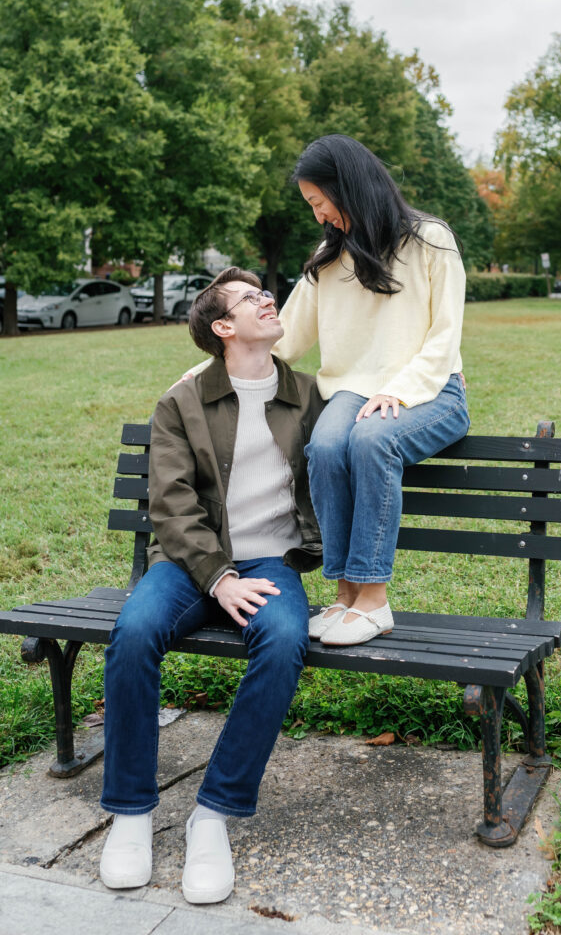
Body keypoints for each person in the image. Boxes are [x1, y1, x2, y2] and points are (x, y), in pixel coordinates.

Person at [181, 134, 470, 649]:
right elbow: (285, 335)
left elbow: (445, 337)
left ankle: (374, 600)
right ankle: (344, 595)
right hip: (356, 393)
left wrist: (400, 392)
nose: (318, 216)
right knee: (328, 444)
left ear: (347, 187)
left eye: (319, 202)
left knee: (372, 441)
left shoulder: (430, 239)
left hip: (432, 391)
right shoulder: (328, 258)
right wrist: (210, 369)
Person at [99, 267, 323, 905]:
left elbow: (363, 423)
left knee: (283, 644)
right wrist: (217, 576)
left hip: (271, 565)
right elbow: (170, 505)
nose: (268, 300)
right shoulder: (182, 401)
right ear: (224, 328)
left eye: (265, 294)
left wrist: (440, 381)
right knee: (135, 631)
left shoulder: (308, 395)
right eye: (253, 299)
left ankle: (213, 816)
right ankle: (131, 812)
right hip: (194, 564)